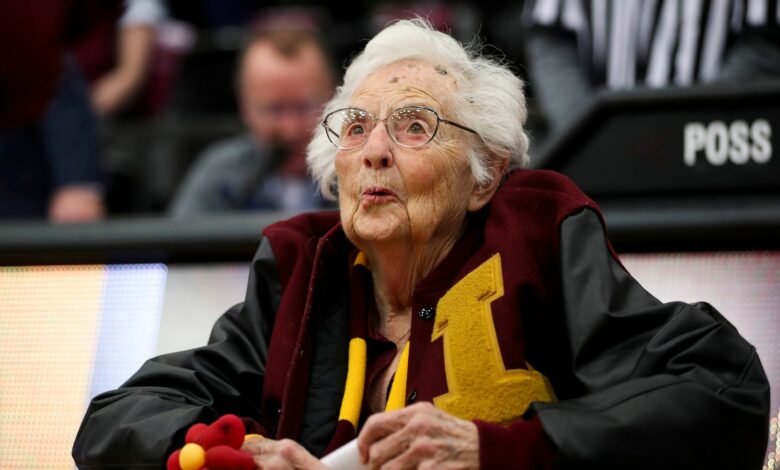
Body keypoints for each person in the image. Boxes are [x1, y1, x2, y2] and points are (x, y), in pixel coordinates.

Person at [74, 19, 769, 469]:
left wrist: (501, 450)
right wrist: (231, 450)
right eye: (354, 128)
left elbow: (722, 391)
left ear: (485, 174)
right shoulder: (301, 268)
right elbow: (113, 422)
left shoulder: (535, 235)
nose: (373, 152)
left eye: (413, 126)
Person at [523, 0, 780, 133]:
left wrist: (693, 133)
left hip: (716, 149)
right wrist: (588, 133)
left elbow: (765, 43)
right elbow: (551, 36)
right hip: (603, 149)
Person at [169, 28, 335, 216]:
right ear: (244, 105)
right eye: (274, 109)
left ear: (334, 99)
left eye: (303, 107)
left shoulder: (364, 172)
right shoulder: (220, 175)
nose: (291, 129)